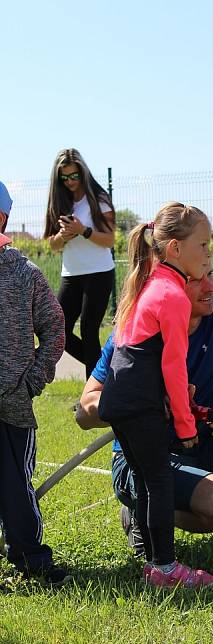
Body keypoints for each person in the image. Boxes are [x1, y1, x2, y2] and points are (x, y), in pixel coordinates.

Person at [76, 262, 213, 552]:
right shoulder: (137, 328)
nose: (208, 287)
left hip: (202, 443)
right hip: (145, 463)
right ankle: (141, 510)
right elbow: (84, 412)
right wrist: (145, 401)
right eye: (196, 279)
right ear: (166, 288)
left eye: (210, 274)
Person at [98, 203, 213, 589]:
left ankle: (153, 563)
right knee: (160, 480)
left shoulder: (149, 286)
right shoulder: (173, 296)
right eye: (203, 244)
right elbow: (173, 369)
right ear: (175, 249)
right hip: (140, 404)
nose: (208, 253)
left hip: (119, 400)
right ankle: (164, 568)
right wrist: (186, 427)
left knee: (148, 479)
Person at [0, 180, 70, 586]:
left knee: (14, 485)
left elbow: (55, 328)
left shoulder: (24, 274)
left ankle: (29, 558)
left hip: (12, 404)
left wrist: (32, 381)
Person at [44, 148, 116, 379]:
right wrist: (63, 236)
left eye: (74, 176)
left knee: (88, 330)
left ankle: (91, 395)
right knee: (57, 330)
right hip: (71, 274)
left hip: (99, 273)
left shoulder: (99, 198)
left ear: (82, 173)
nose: (70, 182)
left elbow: (109, 240)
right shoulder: (59, 200)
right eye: (64, 178)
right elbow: (52, 245)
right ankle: (105, 370)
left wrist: (83, 231)